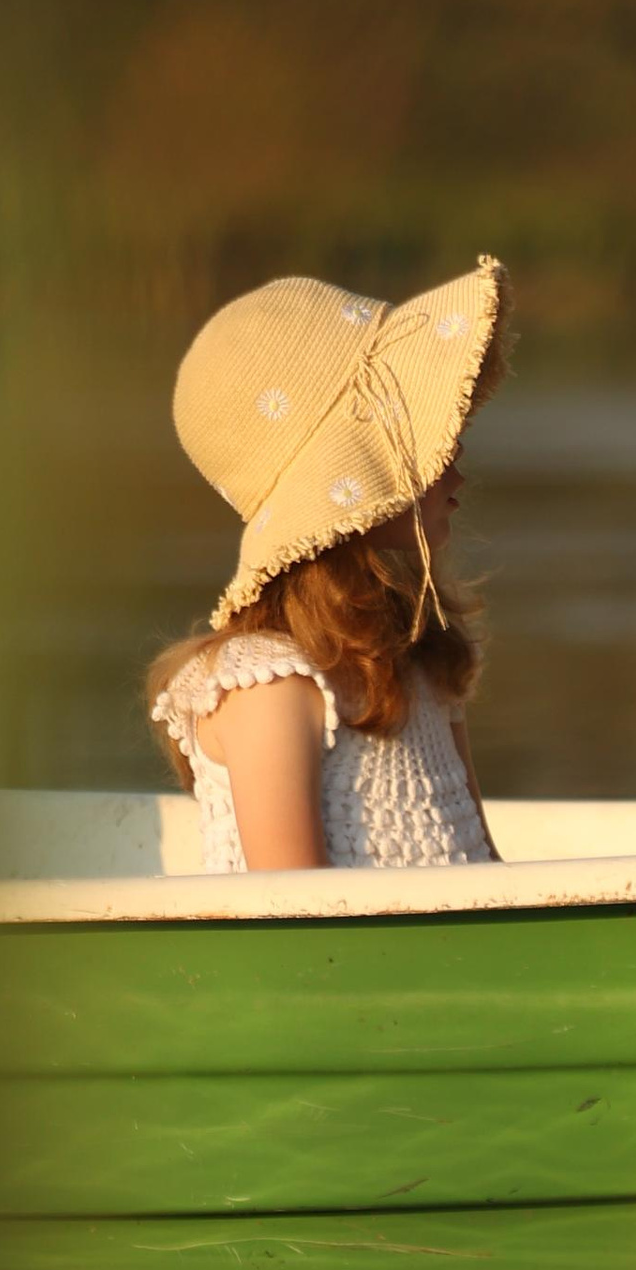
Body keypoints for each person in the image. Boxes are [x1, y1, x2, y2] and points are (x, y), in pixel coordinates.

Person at [145, 256, 507, 872]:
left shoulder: (419, 653)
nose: (458, 459)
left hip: (450, 965)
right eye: (431, 442)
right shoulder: (269, 684)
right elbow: (299, 921)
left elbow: (486, 870)